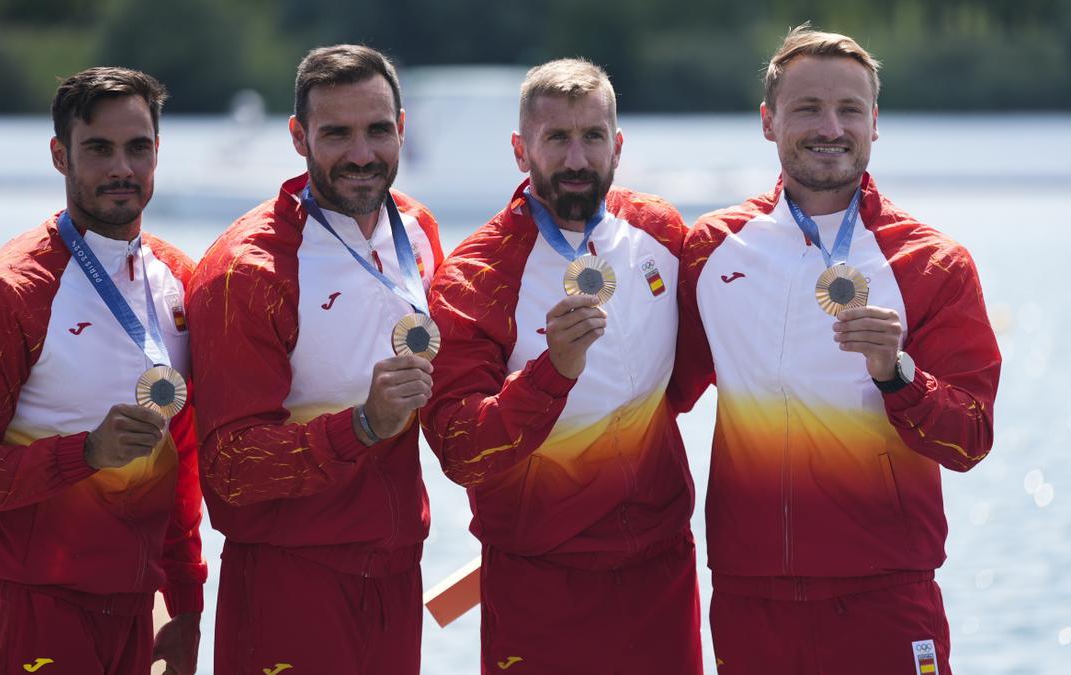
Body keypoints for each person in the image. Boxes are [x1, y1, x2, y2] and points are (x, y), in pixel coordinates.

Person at [671, 25, 1001, 675]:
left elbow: (971, 438)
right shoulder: (712, 249)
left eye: (849, 109)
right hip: (750, 593)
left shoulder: (933, 263)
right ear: (769, 122)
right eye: (807, 109)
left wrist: (897, 374)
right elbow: (656, 397)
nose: (830, 126)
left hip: (883, 592)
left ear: (875, 123)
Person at [0, 67, 206, 675]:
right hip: (30, 607)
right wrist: (85, 454)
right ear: (59, 155)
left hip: (142, 611)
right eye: (98, 149)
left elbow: (181, 462)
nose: (121, 168)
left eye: (138, 148)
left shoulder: (180, 281)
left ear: (158, 152)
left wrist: (183, 601)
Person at [422, 58, 702, 674]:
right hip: (540, 577)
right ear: (522, 151)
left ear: (618, 146)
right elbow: (459, 449)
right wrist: (553, 372)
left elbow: (685, 375)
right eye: (557, 139)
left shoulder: (660, 231)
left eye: (593, 137)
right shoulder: (476, 277)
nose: (577, 159)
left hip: (660, 565)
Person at [188, 45, 441, 675]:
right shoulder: (246, 272)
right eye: (337, 134)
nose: (362, 154)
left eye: (378, 130)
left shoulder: (416, 228)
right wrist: (361, 425)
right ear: (299, 137)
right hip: (288, 577)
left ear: (402, 128)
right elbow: (228, 467)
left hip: (397, 569)